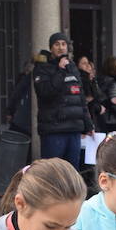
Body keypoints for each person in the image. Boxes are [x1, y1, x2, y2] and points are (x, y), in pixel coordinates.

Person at [33, 32, 92, 170]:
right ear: (51, 48)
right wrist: (60, 71)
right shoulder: (42, 68)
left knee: (71, 174)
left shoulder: (72, 67)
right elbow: (45, 93)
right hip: (54, 130)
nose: (61, 47)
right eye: (57, 44)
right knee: (53, 173)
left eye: (64, 44)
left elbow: (81, 99)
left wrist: (88, 125)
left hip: (74, 129)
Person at [93, 56, 116, 132]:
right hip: (112, 118)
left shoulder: (98, 80)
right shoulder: (113, 83)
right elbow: (115, 102)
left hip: (101, 116)